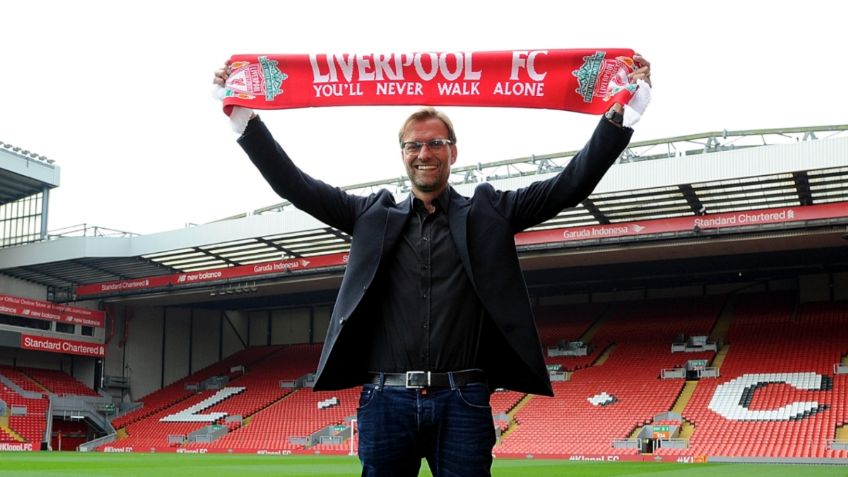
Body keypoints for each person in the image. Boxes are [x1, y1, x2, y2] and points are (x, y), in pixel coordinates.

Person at [214, 55, 651, 476]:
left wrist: (618, 116)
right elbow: (296, 186)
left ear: (453, 152)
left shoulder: (489, 212)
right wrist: (245, 121)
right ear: (403, 154)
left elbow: (568, 186)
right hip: (385, 401)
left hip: (463, 400)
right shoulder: (370, 216)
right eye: (414, 145)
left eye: (435, 143)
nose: (425, 152)